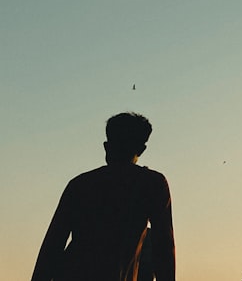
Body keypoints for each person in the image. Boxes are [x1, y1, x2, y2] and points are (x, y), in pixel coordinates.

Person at [31, 113, 175, 281]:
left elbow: (52, 246)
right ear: (141, 150)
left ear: (107, 145)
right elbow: (164, 245)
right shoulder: (151, 183)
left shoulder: (80, 184)